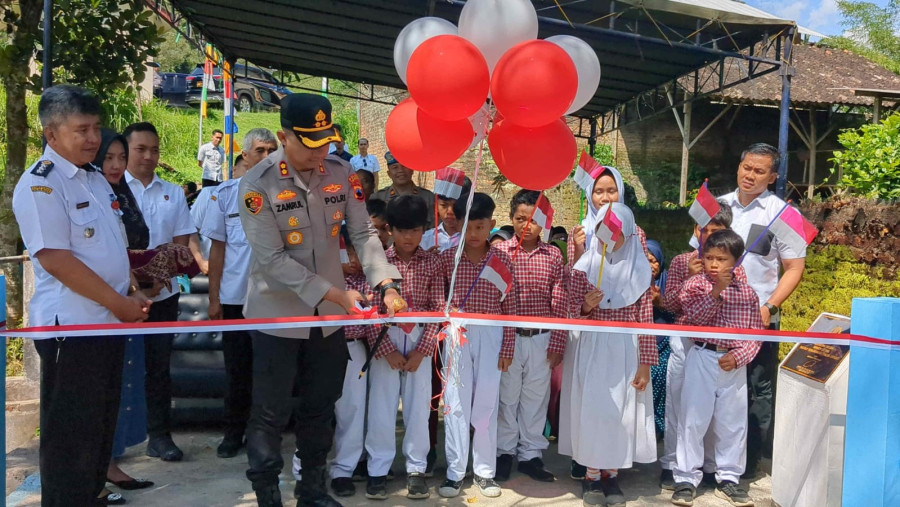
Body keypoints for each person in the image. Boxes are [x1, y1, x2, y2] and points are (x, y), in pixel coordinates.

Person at [238, 93, 404, 507]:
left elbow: (363, 234)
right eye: (310, 143)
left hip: (329, 318)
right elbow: (271, 259)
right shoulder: (257, 184)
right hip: (277, 315)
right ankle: (267, 494)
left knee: (320, 406)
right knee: (270, 412)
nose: (321, 151)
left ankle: (312, 490)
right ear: (283, 136)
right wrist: (333, 292)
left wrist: (386, 283)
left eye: (326, 141)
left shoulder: (342, 173)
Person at [12, 85, 152, 506]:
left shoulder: (93, 178)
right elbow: (56, 259)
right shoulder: (41, 184)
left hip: (107, 322)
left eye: (96, 128)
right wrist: (119, 303)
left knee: (99, 424)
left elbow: (109, 244)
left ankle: (90, 493)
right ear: (51, 134)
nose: (93, 139)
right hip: (72, 328)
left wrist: (131, 289)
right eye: (81, 130)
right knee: (70, 434)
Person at [563, 203, 657, 507]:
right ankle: (591, 475)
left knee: (621, 412)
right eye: (605, 230)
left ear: (629, 234)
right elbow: (567, 311)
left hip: (625, 349)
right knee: (593, 408)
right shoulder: (585, 266)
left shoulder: (640, 271)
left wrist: (645, 363)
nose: (609, 237)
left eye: (617, 231)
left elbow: (646, 320)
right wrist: (586, 307)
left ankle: (611, 474)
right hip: (592, 346)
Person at [720, 143, 806, 476]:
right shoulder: (719, 205)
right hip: (715, 313)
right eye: (746, 168)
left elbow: (794, 267)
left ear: (772, 177)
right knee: (716, 383)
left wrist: (770, 306)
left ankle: (748, 462)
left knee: (756, 388)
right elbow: (698, 250)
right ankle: (713, 459)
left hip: (755, 316)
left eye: (759, 171)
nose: (750, 176)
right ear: (739, 166)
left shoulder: (782, 214)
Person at [671, 230, 764, 507]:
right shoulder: (695, 285)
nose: (713, 264)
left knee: (732, 422)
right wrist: (716, 291)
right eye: (709, 257)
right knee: (693, 418)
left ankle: (729, 478)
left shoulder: (748, 293)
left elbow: (755, 333)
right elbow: (695, 319)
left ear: (736, 261)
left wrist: (740, 356)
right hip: (702, 355)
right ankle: (686, 478)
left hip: (733, 362)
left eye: (721, 259)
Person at [201, 128, 277, 459]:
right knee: (237, 370)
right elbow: (217, 251)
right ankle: (233, 432)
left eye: (272, 150)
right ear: (245, 155)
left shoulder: (287, 195)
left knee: (270, 373)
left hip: (274, 299)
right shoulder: (225, 195)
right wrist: (214, 298)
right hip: (235, 299)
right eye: (259, 150)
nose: (267, 156)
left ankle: (264, 436)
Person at [437, 193, 517, 500]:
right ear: (457, 224)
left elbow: (511, 306)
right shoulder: (447, 258)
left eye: (481, 227)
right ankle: (455, 472)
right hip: (456, 333)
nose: (474, 234)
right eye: (468, 227)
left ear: (492, 225)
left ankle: (485, 471)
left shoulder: (502, 261)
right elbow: (437, 299)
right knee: (455, 404)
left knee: (485, 405)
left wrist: (508, 346)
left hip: (491, 333)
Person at [124, 121, 195, 462]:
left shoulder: (174, 192)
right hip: (119, 297)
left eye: (154, 150)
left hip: (163, 296)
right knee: (116, 368)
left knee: (158, 367)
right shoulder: (110, 191)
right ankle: (113, 443)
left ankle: (160, 436)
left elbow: (180, 247)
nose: (148, 156)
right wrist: (134, 284)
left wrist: (156, 280)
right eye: (141, 149)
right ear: (125, 151)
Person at [364, 195, 444, 501]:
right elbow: (372, 311)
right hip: (387, 337)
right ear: (389, 229)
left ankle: (416, 469)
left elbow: (438, 308)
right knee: (381, 408)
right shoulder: (379, 263)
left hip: (420, 340)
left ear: (424, 230)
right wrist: (386, 351)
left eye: (415, 230)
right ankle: (378, 470)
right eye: (401, 230)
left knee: (418, 407)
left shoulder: (433, 262)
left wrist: (423, 350)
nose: (408, 237)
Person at [659, 203, 740, 490]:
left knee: (717, 410)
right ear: (696, 230)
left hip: (718, 344)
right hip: (685, 338)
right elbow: (667, 304)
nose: (708, 235)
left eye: (715, 231)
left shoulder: (734, 267)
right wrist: (688, 277)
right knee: (680, 403)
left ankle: (710, 466)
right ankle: (672, 463)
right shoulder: (684, 261)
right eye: (703, 229)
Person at [291, 225, 376, 498]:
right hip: (319, 348)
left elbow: (370, 321)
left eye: (354, 253)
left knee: (352, 412)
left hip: (354, 349)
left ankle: (344, 471)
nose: (351, 260)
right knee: (316, 411)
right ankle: (305, 471)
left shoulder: (366, 281)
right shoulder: (317, 280)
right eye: (344, 253)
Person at [95, 129, 156, 505]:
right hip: (90, 313)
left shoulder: (113, 195)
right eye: (108, 158)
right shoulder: (77, 194)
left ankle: (109, 464)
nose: (116, 166)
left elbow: (123, 251)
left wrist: (135, 292)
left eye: (120, 157)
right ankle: (92, 478)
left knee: (121, 388)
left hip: (123, 305)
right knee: (96, 396)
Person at [494, 190, 566, 483]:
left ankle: (531, 455)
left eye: (534, 220)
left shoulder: (553, 255)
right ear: (511, 219)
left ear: (544, 222)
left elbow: (559, 300)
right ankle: (504, 452)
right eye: (520, 219)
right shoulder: (499, 253)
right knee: (507, 397)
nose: (527, 225)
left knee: (535, 398)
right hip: (508, 338)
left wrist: (558, 342)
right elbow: (494, 299)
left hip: (541, 338)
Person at [646, 239, 673, 439]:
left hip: (663, 345)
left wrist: (660, 302)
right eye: (646, 260)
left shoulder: (668, 282)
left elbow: (677, 312)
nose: (651, 265)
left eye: (655, 261)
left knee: (660, 374)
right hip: (640, 344)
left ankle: (657, 425)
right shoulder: (632, 281)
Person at [371, 152, 435, 229]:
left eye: (404, 166)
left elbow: (435, 229)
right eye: (395, 167)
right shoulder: (378, 198)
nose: (400, 170)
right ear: (389, 174)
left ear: (412, 170)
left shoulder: (428, 197)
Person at [420, 177, 471, 252]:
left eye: (455, 206)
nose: (449, 211)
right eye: (444, 205)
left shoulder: (473, 239)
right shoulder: (425, 239)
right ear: (436, 205)